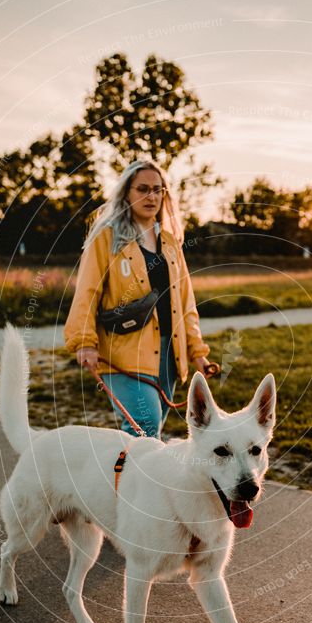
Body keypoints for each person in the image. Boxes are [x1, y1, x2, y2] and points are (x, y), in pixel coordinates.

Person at [64, 159, 212, 439]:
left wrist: (198, 352)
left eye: (158, 190)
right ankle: (126, 482)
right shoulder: (105, 239)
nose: (152, 196)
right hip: (123, 352)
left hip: (169, 353)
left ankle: (123, 482)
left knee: (145, 436)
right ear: (126, 193)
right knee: (144, 428)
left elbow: (185, 302)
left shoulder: (170, 243)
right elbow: (87, 291)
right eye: (142, 189)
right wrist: (84, 342)